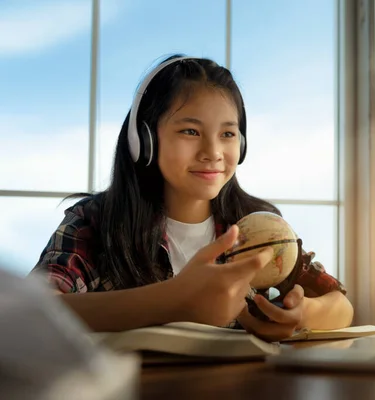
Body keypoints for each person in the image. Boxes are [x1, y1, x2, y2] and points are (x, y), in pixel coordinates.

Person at [30, 55, 353, 342]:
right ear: (143, 141)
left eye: (227, 134)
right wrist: (173, 299)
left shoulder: (258, 223)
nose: (212, 152)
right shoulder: (95, 220)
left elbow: (340, 305)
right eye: (190, 132)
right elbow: (33, 313)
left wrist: (302, 315)